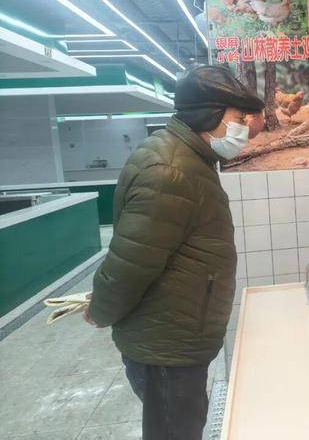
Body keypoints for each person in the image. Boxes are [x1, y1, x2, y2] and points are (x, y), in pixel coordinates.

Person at [83, 65, 264, 440]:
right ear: (210, 115)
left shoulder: (189, 157)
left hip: (174, 336)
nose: (243, 128)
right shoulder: (170, 170)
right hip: (166, 347)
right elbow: (130, 262)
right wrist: (101, 309)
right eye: (237, 118)